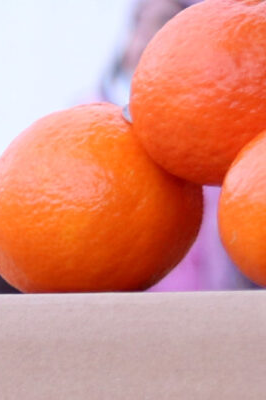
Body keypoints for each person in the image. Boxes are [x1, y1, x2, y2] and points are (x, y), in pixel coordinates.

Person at [109, 0, 254, 290]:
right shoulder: (94, 124)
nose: (145, 39)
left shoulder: (232, 140)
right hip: (136, 313)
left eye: (165, 23)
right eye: (141, 23)